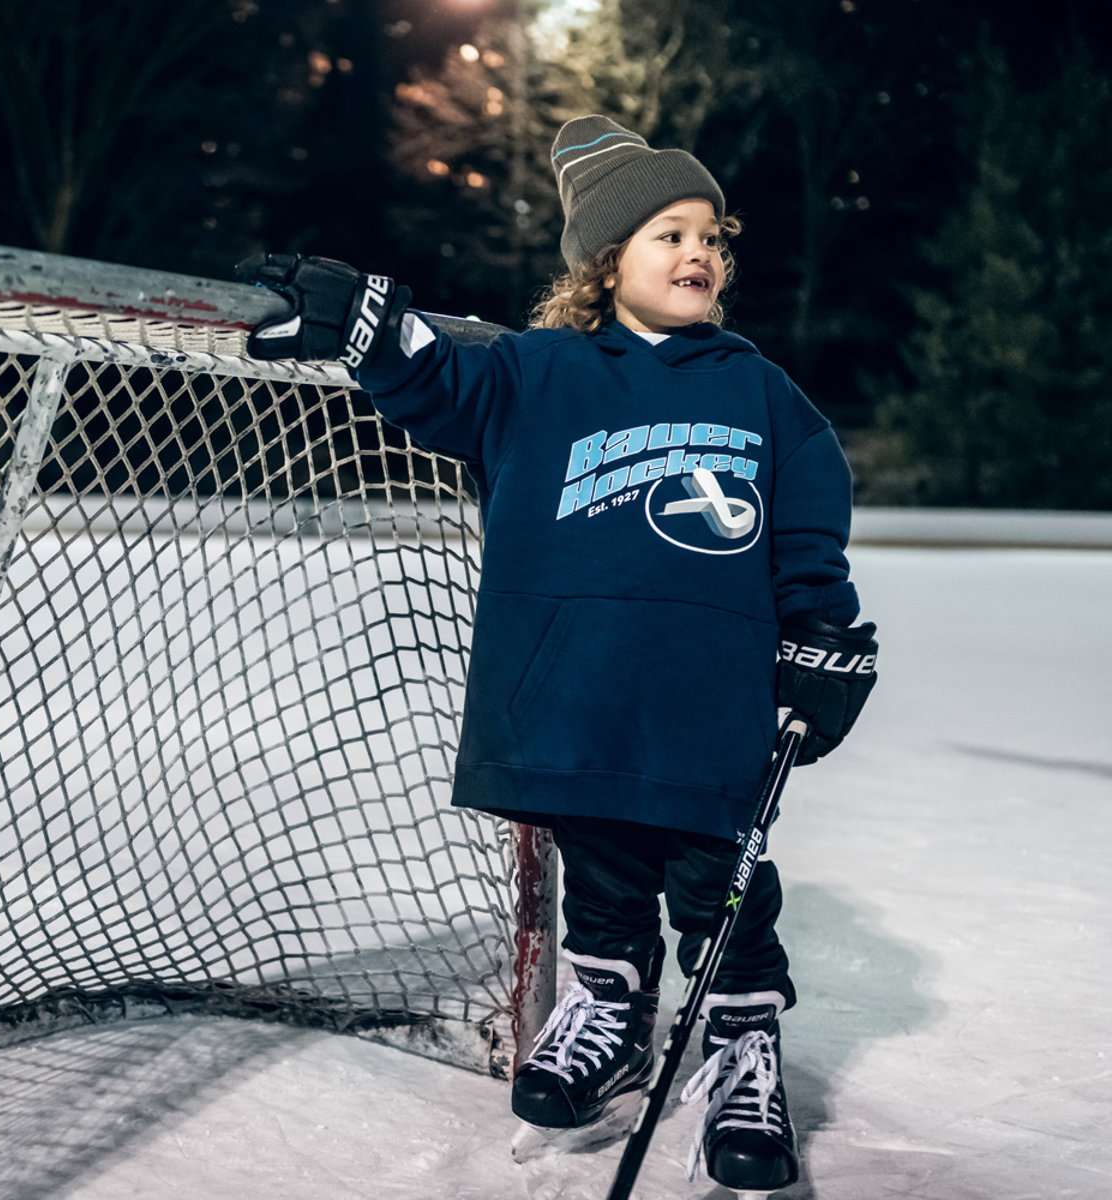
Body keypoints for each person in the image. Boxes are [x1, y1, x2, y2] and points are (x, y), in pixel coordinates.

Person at [236, 114, 878, 1194]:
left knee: (719, 879)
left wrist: (817, 629)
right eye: (668, 233)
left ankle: (739, 1045)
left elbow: (809, 517)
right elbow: (437, 383)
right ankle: (611, 1014)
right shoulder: (537, 372)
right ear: (606, 259)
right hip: (580, 692)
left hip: (706, 696)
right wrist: (366, 322)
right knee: (604, 865)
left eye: (712, 235)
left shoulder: (760, 390)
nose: (700, 254)